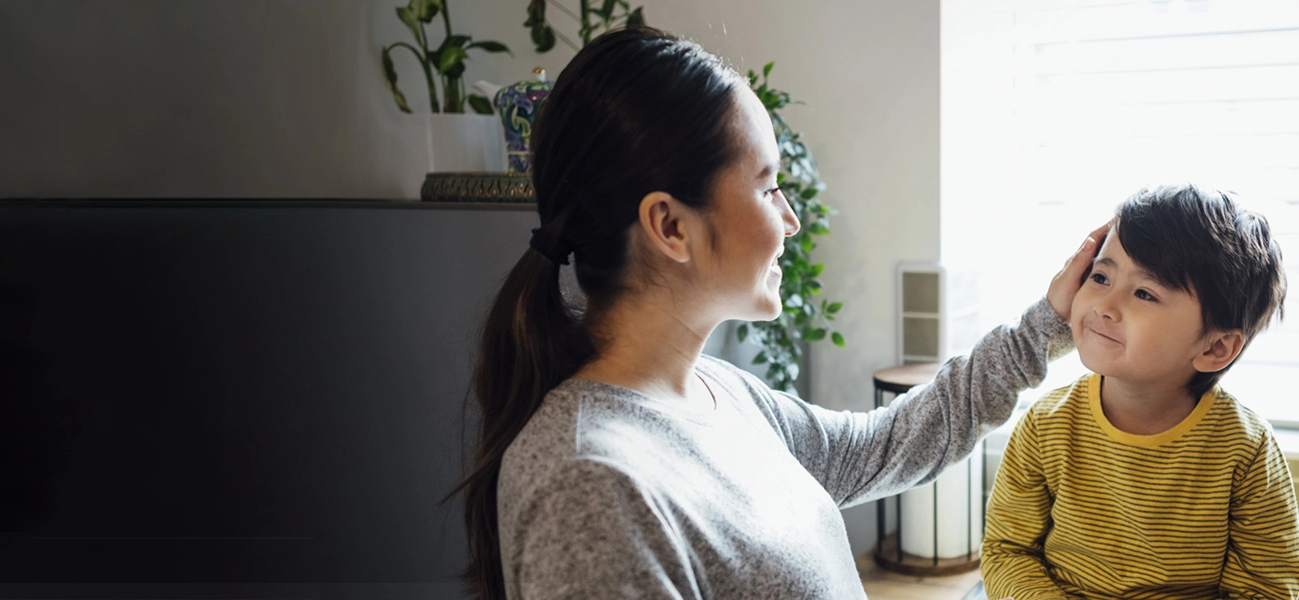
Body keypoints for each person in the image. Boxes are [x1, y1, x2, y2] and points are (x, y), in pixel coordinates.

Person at [444, 26, 1108, 598]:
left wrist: (1049, 322)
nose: (791, 219)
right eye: (767, 187)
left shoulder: (721, 396)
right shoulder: (590, 484)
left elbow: (887, 446)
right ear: (670, 226)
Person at [982, 185, 1296, 599]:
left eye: (1145, 293)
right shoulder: (1046, 425)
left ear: (1215, 347)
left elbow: (1265, 587)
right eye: (1100, 277)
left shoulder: (1246, 448)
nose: (1104, 306)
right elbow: (1007, 551)